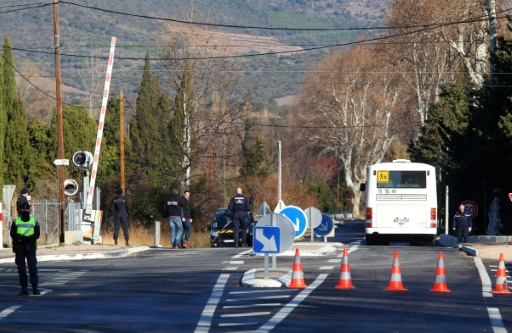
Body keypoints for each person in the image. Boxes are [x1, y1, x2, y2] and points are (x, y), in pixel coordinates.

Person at [10, 202, 41, 296]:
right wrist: (21, 238)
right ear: (20, 210)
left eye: (26, 209)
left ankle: (35, 289)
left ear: (29, 210)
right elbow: (13, 234)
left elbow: (37, 235)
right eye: (23, 209)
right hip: (19, 247)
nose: (25, 211)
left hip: (30, 247)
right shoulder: (16, 221)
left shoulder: (34, 221)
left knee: (32, 268)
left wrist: (24, 238)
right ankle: (24, 289)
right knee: (21, 268)